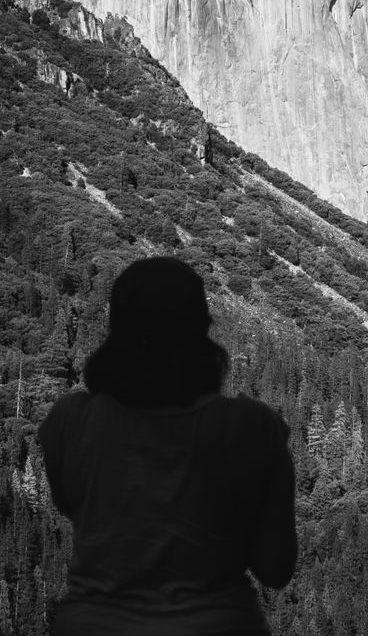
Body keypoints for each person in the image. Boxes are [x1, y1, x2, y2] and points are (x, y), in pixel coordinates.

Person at [38, 256, 297, 636]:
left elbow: (71, 505)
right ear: (202, 327)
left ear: (117, 329)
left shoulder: (70, 421)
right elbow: (276, 568)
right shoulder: (250, 426)